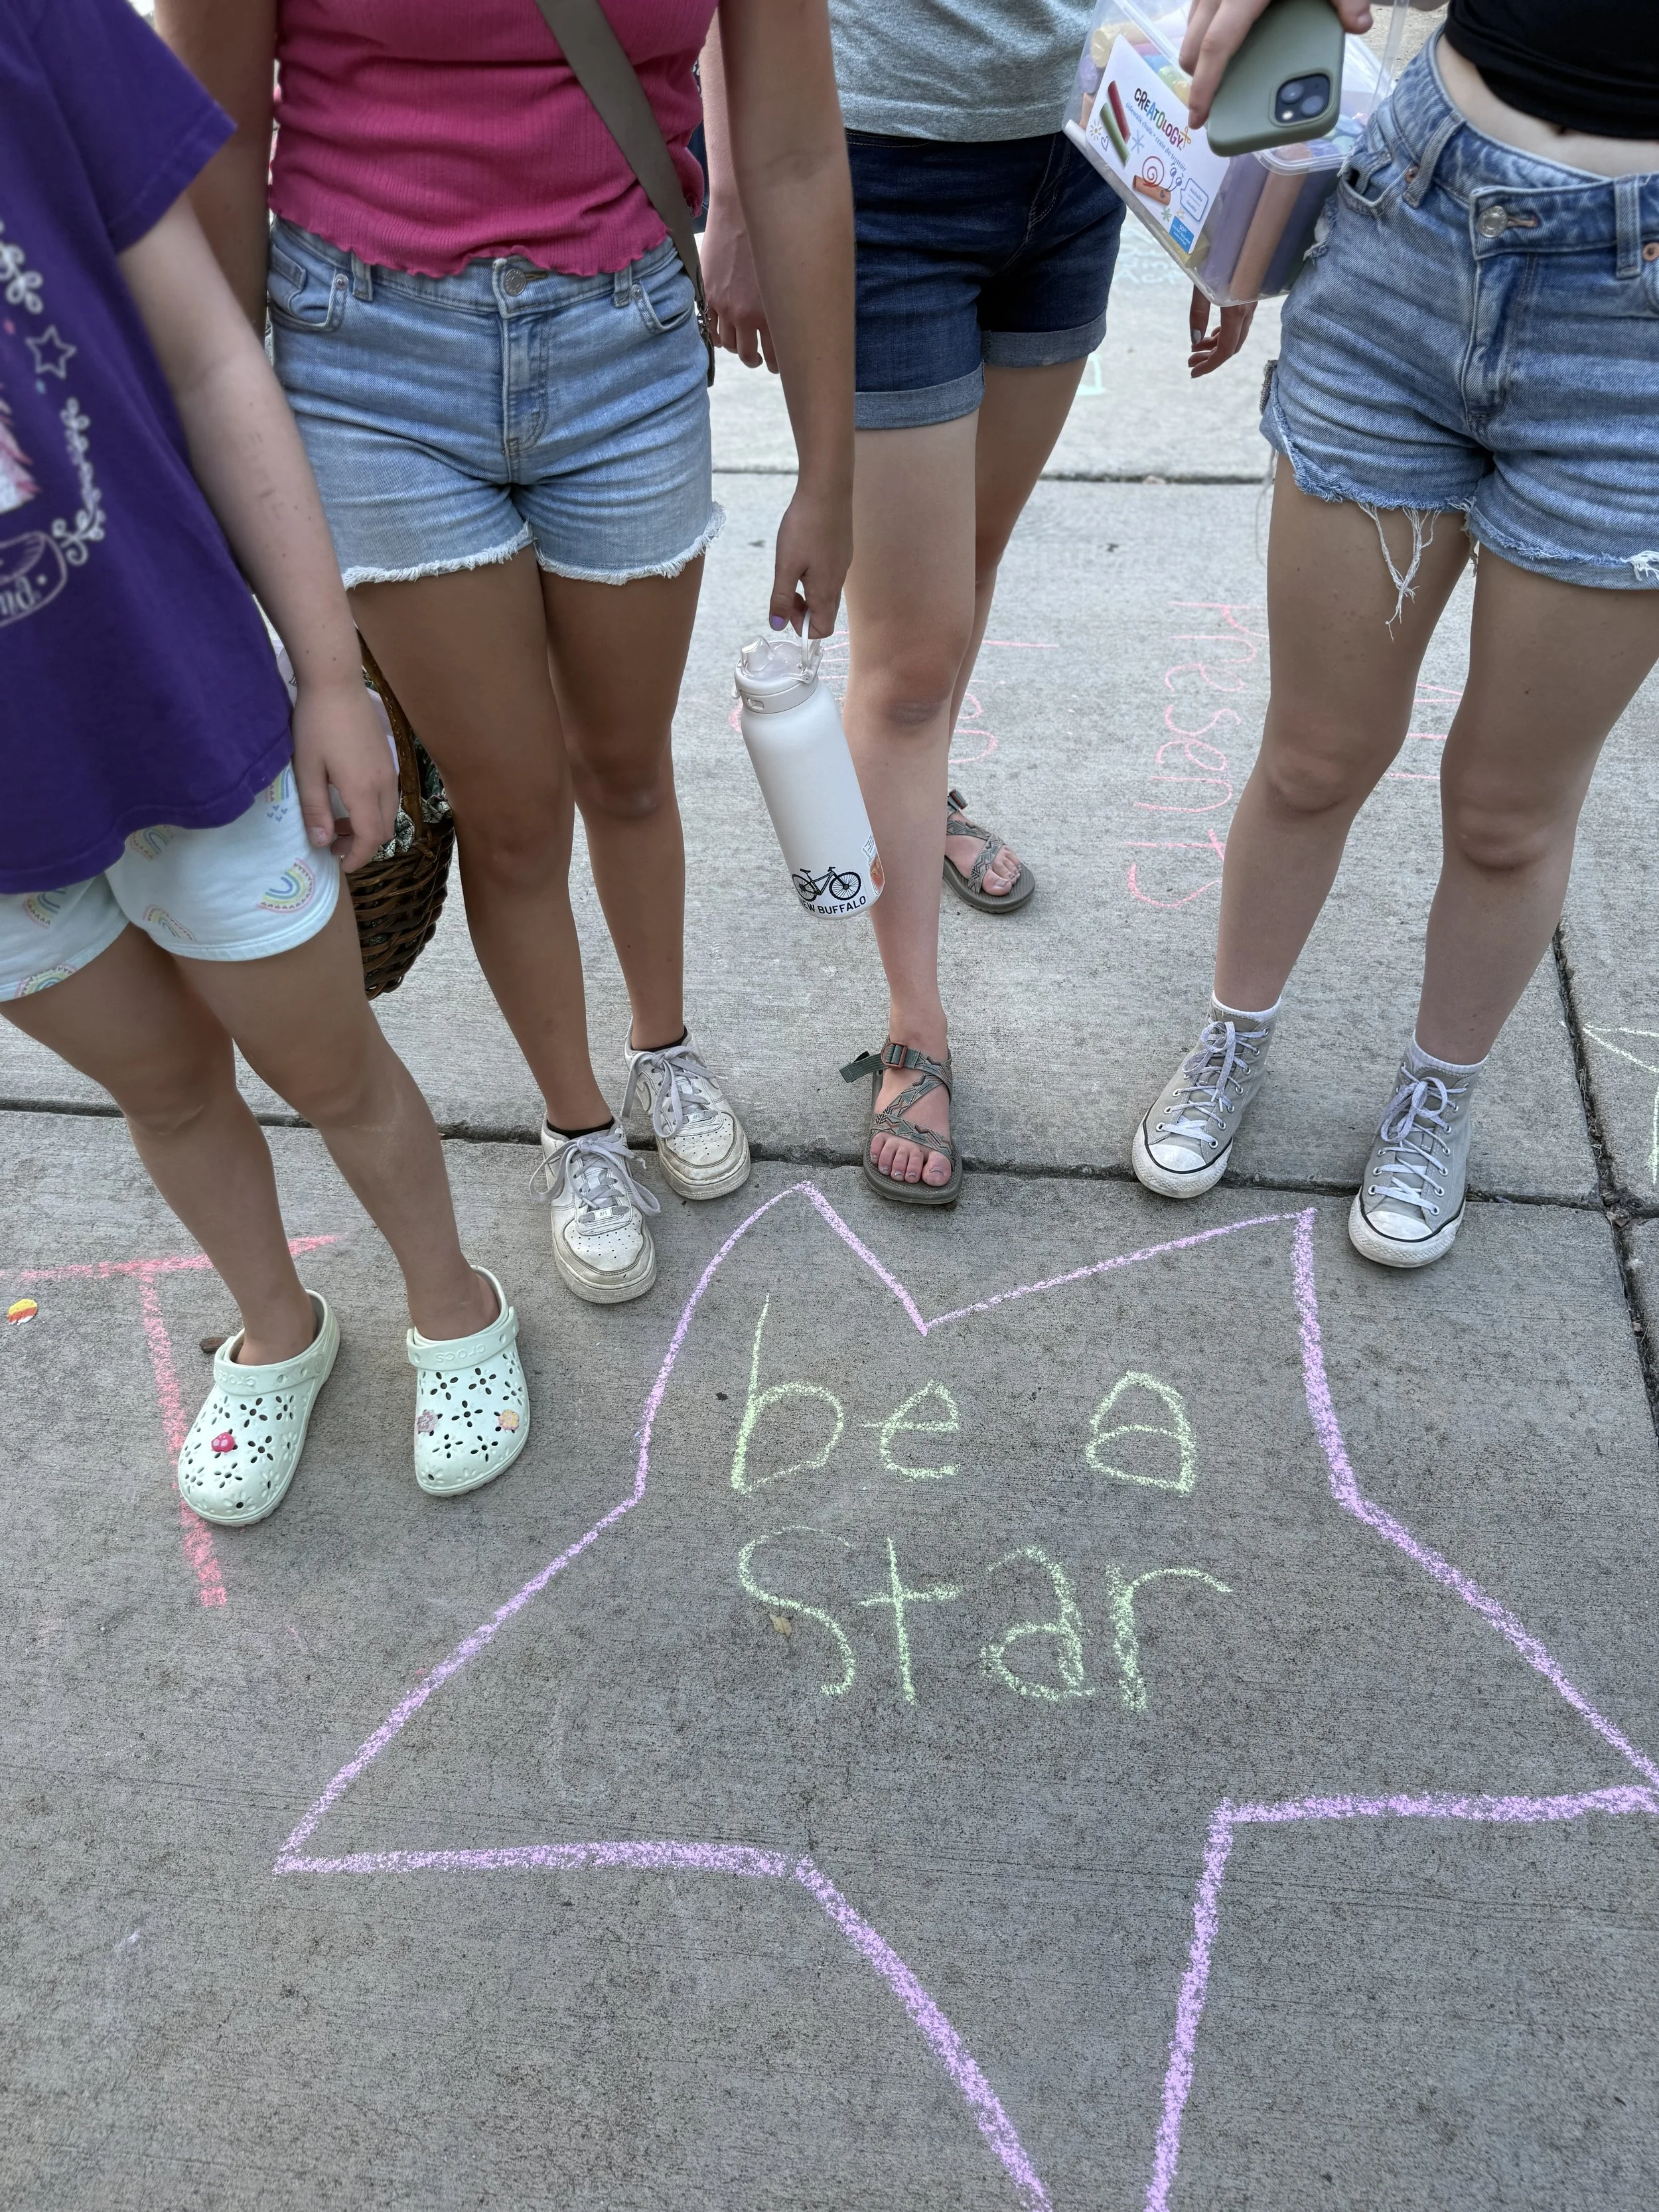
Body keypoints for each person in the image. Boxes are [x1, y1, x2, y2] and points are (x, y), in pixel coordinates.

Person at [157, 0, 853, 1300]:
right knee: (515, 810)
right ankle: (577, 1121)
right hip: (367, 360)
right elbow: (209, 150)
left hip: (628, 340)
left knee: (627, 768)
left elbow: (799, 149)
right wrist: (229, 485)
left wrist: (829, 470)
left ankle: (665, 1042)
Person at [1, 0, 531, 1526]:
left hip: (173, 701)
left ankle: (450, 1299)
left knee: (327, 1064)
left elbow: (211, 351)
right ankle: (278, 1332)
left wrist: (326, 672)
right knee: (164, 1090)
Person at [700, 3, 1254, 1205]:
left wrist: (1230, 193)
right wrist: (733, 196)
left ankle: (914, 791)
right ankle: (916, 1021)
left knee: (969, 557)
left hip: (1081, 146)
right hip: (878, 167)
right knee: (904, 662)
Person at [1133, 0, 1659, 1267]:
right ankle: (1233, 1035)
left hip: (1635, 342)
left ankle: (1439, 1093)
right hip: (1414, 222)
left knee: (1506, 812)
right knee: (1314, 753)